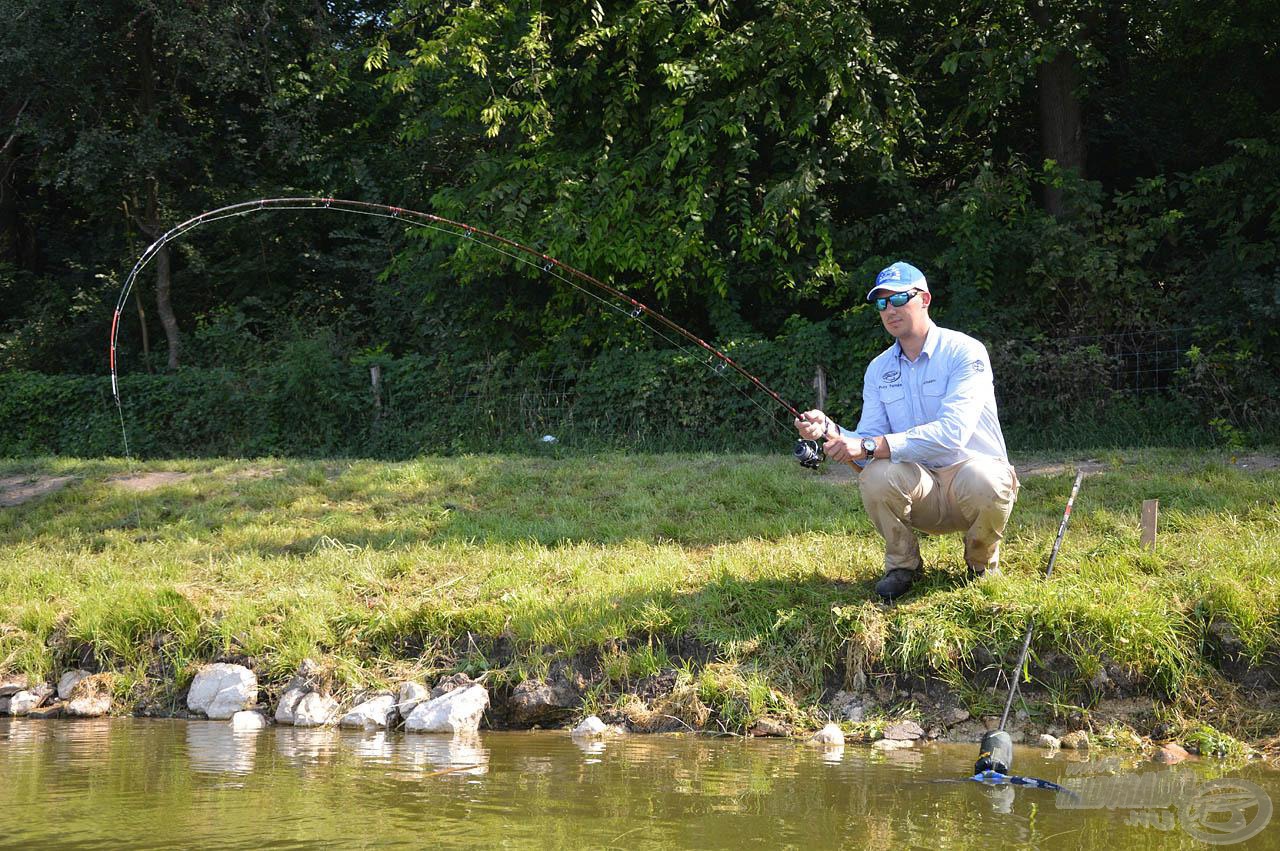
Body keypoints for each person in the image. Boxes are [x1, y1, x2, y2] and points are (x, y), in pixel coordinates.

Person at [794, 261, 1018, 601]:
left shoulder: (965, 352)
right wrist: (830, 430)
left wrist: (868, 445)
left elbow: (952, 432)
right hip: (922, 490)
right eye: (881, 303)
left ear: (925, 299)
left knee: (986, 478)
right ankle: (902, 565)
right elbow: (868, 440)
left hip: (971, 484)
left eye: (898, 299)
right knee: (877, 475)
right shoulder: (878, 369)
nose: (889, 310)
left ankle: (981, 562)